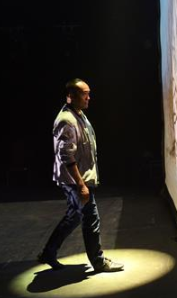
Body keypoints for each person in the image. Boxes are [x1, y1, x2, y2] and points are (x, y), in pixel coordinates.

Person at [37, 79, 124, 272]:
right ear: (71, 96)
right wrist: (81, 184)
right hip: (75, 181)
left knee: (74, 216)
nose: (88, 98)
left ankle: (49, 252)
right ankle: (98, 262)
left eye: (88, 93)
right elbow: (66, 156)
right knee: (91, 218)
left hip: (77, 179)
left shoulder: (79, 115)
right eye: (85, 94)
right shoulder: (67, 120)